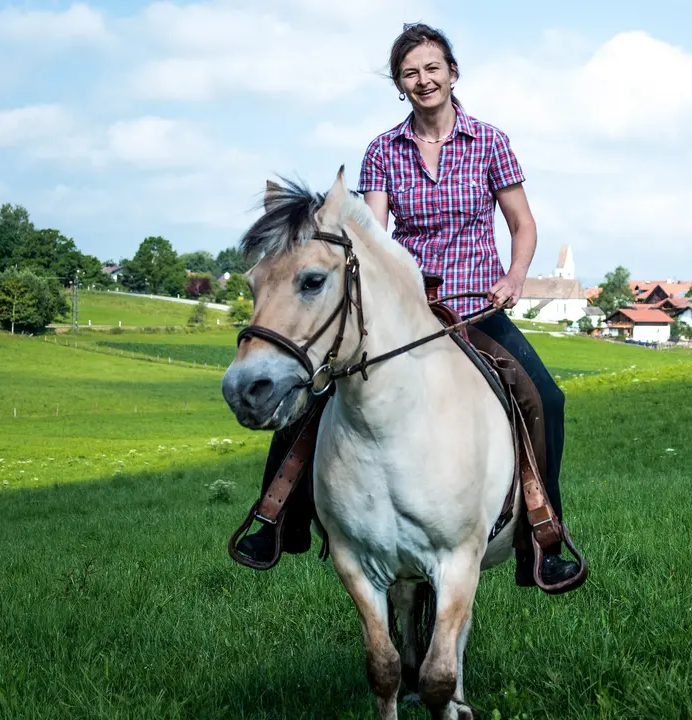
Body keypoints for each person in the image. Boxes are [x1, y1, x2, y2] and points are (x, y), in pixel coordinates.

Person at [236, 22, 582, 588]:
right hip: (407, 312)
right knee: (317, 387)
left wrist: (516, 275)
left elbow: (522, 223)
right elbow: (373, 236)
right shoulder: (382, 150)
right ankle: (278, 518)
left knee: (545, 396)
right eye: (410, 73)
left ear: (452, 72)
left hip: (475, 305)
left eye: (432, 68)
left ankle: (543, 536)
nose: (423, 81)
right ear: (400, 85)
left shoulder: (489, 141)